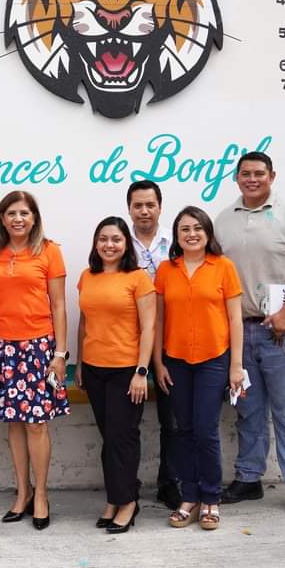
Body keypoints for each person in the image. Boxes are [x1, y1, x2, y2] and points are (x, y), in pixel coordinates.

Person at [215, 151, 285, 521]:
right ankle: (249, 478)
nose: (252, 179)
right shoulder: (223, 221)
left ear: (272, 176)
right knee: (247, 411)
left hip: (283, 331)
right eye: (245, 174)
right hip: (241, 331)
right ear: (236, 177)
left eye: (259, 174)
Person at [153, 206, 244, 531]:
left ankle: (211, 499)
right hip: (176, 360)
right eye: (184, 230)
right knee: (183, 431)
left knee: (206, 431)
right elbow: (159, 318)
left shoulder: (223, 267)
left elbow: (235, 318)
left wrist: (236, 366)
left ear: (207, 233)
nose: (191, 234)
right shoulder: (166, 270)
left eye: (197, 229)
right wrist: (158, 361)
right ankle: (188, 497)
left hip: (213, 359)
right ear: (176, 237)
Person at [0, 190, 69, 531]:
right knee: (14, 422)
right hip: (2, 346)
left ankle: (43, 494)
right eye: (11, 213)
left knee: (36, 423)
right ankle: (22, 493)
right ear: (2, 219)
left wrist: (60, 354)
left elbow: (60, 305)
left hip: (38, 347)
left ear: (34, 218)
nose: (18, 219)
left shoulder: (50, 251)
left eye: (24, 213)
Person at [75, 216, 155, 534]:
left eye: (116, 239)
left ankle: (128, 502)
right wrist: (80, 363)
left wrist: (141, 371)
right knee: (110, 439)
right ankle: (115, 497)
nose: (109, 244)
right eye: (103, 238)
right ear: (96, 243)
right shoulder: (87, 276)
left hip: (126, 371)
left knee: (123, 439)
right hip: (95, 370)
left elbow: (149, 326)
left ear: (126, 245)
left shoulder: (138, 278)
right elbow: (84, 323)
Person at [126, 180, 181, 510]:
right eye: (137, 205)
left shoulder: (175, 244)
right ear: (129, 208)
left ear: (160, 207)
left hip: (169, 341)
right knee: (126, 422)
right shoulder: (119, 242)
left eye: (150, 205)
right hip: (128, 342)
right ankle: (126, 482)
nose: (144, 211)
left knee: (171, 419)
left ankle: (168, 481)